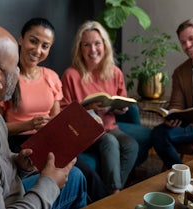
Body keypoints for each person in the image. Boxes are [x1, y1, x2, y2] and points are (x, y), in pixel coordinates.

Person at [0, 17, 109, 203]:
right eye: (33, 41)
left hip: (47, 139)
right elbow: (4, 129)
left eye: (45, 45)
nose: (37, 50)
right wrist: (29, 124)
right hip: (21, 141)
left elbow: (58, 119)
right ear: (21, 39)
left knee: (82, 172)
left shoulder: (50, 76)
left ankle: (109, 201)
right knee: (78, 173)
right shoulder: (9, 86)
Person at [60, 20, 139, 194]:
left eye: (97, 43)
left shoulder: (114, 72)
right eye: (86, 45)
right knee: (110, 142)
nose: (93, 50)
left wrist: (119, 107)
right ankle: (114, 194)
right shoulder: (71, 75)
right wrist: (88, 109)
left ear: (105, 45)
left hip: (109, 126)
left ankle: (106, 193)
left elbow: (122, 99)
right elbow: (63, 113)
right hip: (84, 131)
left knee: (131, 145)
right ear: (80, 49)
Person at [151, 18, 193, 169]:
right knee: (159, 134)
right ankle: (180, 173)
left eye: (191, 38)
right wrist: (173, 116)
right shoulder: (180, 72)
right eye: (183, 42)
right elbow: (176, 104)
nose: (188, 45)